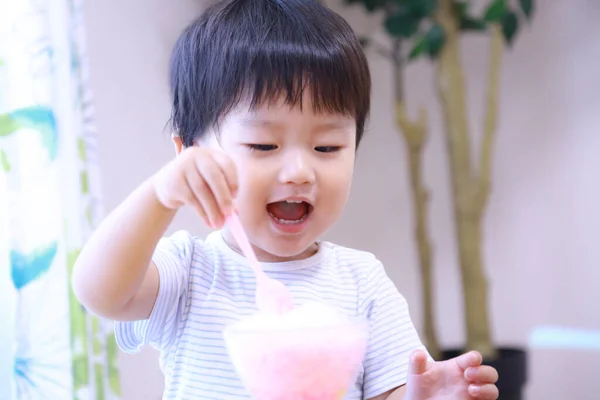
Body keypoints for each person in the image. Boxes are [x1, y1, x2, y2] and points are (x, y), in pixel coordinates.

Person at [72, 0, 499, 398]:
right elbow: (99, 292)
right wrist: (160, 194)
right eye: (263, 145)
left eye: (327, 147)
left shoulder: (362, 283)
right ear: (190, 153)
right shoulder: (189, 272)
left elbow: (388, 390)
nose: (299, 172)